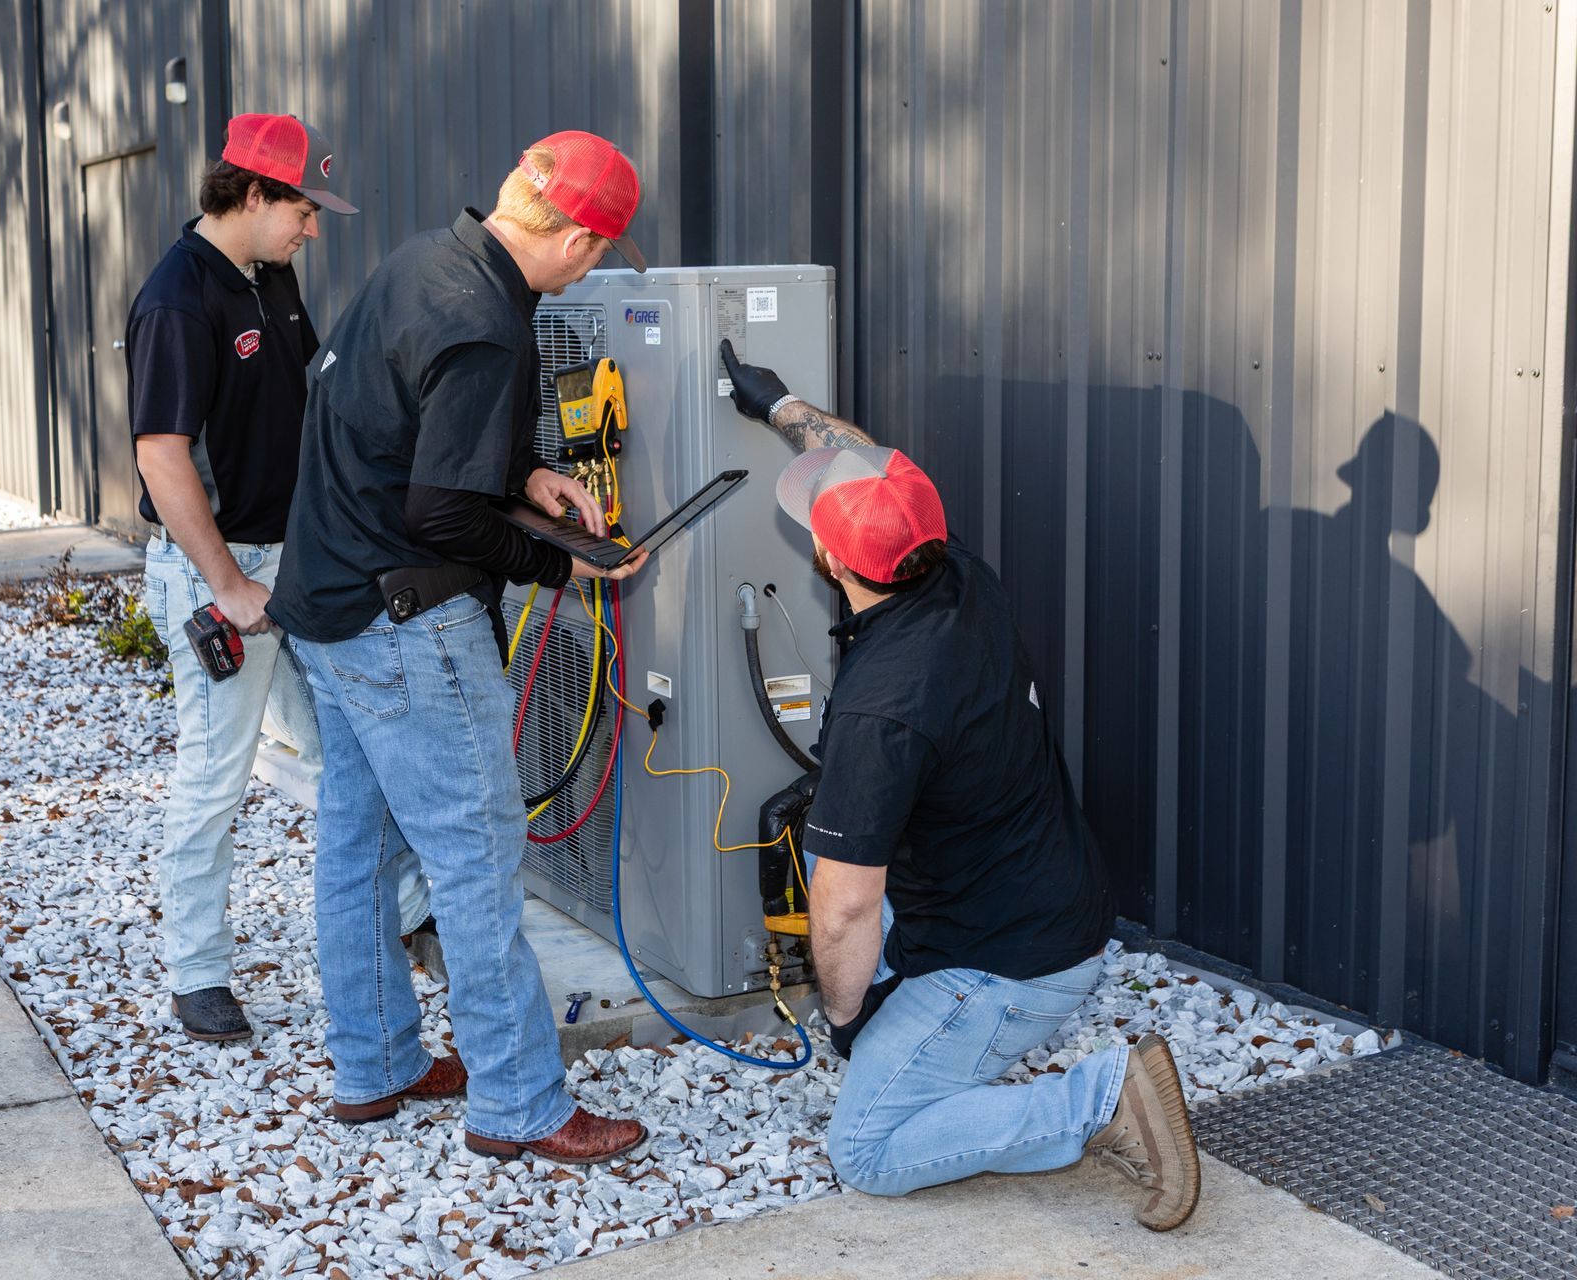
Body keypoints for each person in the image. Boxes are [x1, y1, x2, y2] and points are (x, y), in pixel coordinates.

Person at [722, 341, 1202, 1231]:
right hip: (1045, 890)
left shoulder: (882, 712)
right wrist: (781, 405)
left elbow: (841, 909)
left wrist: (845, 1016)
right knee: (880, 960)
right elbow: (867, 472)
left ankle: (1102, 1100)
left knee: (865, 1148)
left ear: (828, 559)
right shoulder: (953, 571)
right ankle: (922, 1013)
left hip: (1012, 961)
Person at [266, 132, 651, 1164]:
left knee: (359, 848)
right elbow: (439, 510)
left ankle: (376, 1062)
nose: (599, 268)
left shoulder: (423, 265)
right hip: (406, 623)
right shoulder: (488, 321)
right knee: (478, 856)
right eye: (602, 249)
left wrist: (525, 474)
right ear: (570, 233)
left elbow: (407, 427)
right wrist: (560, 565)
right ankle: (521, 1100)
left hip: (326, 603)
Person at [128, 113, 427, 1043]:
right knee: (217, 773)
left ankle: (413, 917)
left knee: (355, 746)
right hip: (222, 572)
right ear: (253, 195)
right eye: (303, 209)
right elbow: (161, 456)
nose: (314, 227)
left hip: (303, 560)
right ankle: (197, 973)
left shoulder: (271, 277)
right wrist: (226, 583)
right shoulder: (179, 299)